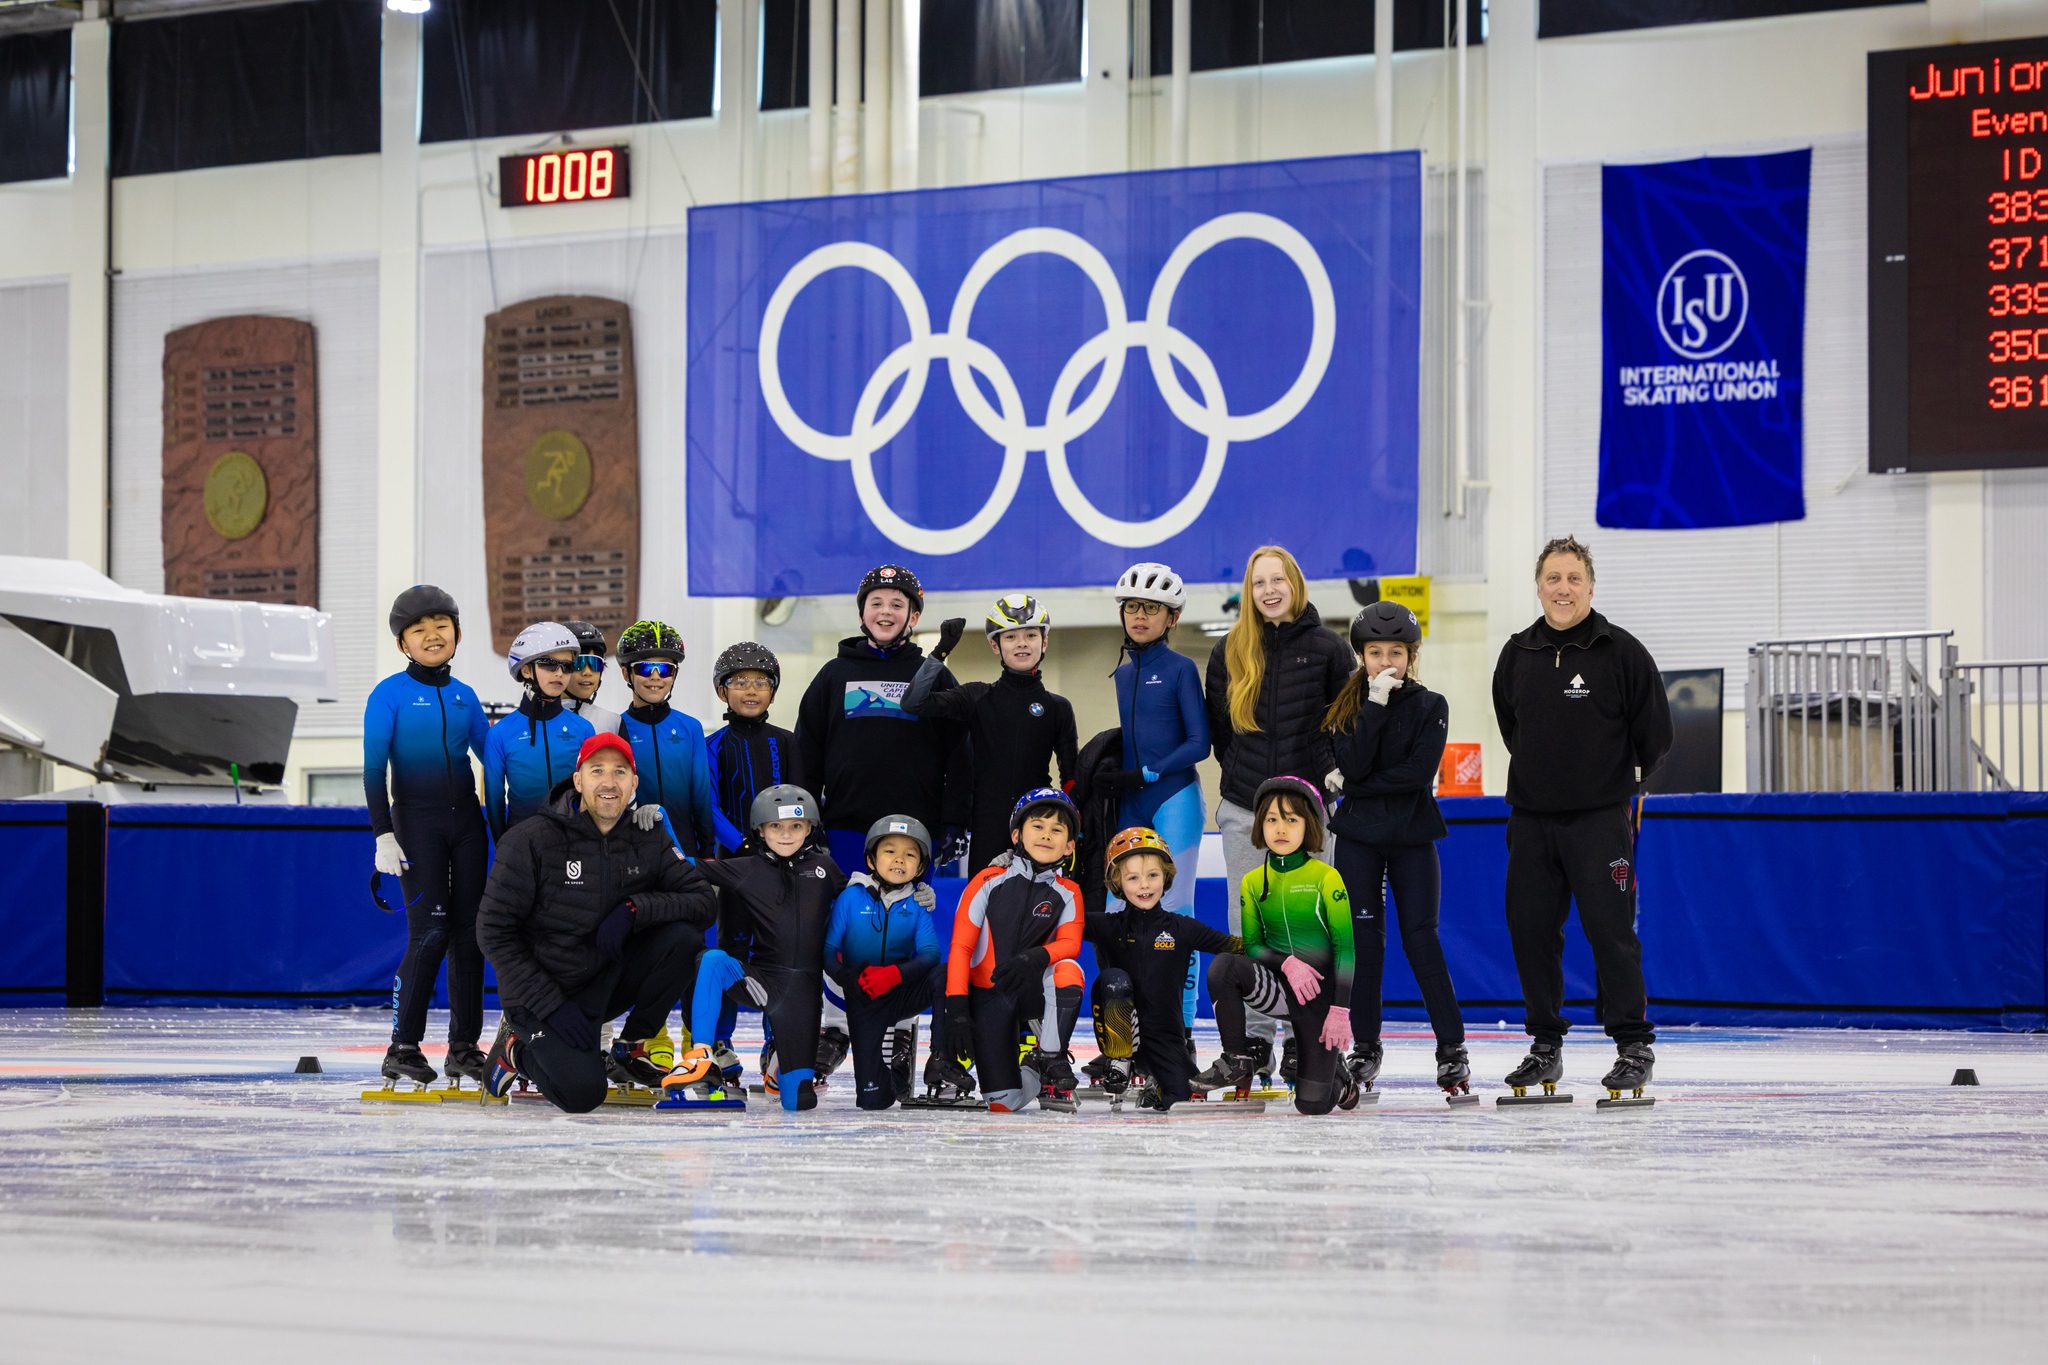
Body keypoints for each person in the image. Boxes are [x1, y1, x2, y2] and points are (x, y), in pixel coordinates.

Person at [1492, 535, 1672, 1099]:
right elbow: (1510, 727)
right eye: (1553, 578)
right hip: (1531, 819)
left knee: (1611, 933)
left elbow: (1656, 736)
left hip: (1599, 821)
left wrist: (1609, 783)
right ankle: (1545, 1046)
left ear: (1590, 587)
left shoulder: (1622, 652)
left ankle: (1632, 1047)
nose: (1563, 589)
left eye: (1574, 579)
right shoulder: (1516, 652)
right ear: (1539, 586)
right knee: (1532, 933)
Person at [476, 733, 718, 1112]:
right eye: (597, 770)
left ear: (633, 784)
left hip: (603, 983)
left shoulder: (647, 837)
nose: (609, 782)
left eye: (620, 772)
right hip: (540, 997)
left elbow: (703, 902)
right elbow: (493, 931)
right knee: (583, 1094)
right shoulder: (530, 840)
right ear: (578, 781)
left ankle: (631, 1046)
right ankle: (515, 1050)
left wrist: (635, 908)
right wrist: (551, 1006)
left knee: (685, 938)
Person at [1203, 545, 1352, 1080]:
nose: (1269, 590)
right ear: (1250, 591)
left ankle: (1303, 1037)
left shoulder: (1330, 649)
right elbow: (1222, 733)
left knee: (1307, 925)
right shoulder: (1230, 651)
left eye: (1277, 579)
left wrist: (1320, 781)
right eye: (1259, 582)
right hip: (1245, 807)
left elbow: (1345, 724)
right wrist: (1248, 783)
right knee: (1248, 923)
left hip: (1310, 811)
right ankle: (1257, 1039)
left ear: (1295, 582)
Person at [1324, 602, 1467, 1097]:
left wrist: (1353, 785)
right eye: (1375, 652)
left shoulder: (1432, 706)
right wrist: (1376, 703)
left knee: (1421, 939)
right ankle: (1366, 1046)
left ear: (1412, 655)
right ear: (1361, 655)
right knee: (1363, 946)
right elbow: (1358, 760)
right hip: (1359, 840)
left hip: (1411, 836)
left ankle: (1451, 1049)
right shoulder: (1346, 709)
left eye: (1396, 653)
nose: (1386, 662)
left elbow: (1415, 776)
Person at [364, 585, 491, 1090]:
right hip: (416, 824)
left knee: (470, 938)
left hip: (467, 826)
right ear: (403, 645)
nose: (431, 635)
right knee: (430, 933)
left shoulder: (464, 697)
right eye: (418, 629)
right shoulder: (388, 694)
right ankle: (403, 1046)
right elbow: (374, 770)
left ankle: (463, 1048)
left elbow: (494, 757)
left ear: (457, 634)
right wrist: (383, 835)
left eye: (441, 625)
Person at [667, 784, 847, 1112]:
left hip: (804, 998)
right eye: (775, 826)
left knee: (798, 1102)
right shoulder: (747, 868)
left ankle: (779, 1067)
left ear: (809, 828)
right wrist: (661, 820)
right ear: (760, 831)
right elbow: (681, 864)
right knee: (712, 960)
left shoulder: (825, 868)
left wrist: (916, 893)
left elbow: (865, 897)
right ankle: (701, 1055)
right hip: (763, 982)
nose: (786, 834)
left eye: (795, 825)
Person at [1194, 776, 1359, 1115]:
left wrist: (1340, 1010)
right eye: (1271, 819)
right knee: (1225, 965)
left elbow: (1345, 948)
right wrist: (1287, 963)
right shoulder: (1253, 882)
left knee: (1313, 1105)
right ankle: (1237, 1058)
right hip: (1279, 988)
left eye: (1290, 819)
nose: (1280, 828)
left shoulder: (1326, 878)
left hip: (1318, 996)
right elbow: (1253, 946)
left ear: (1308, 825)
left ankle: (1340, 1081)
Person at [795, 564, 970, 874]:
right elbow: (807, 753)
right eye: (876, 603)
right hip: (845, 830)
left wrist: (955, 820)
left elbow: (960, 754)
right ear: (862, 614)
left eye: (897, 605)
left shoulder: (935, 677)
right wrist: (807, 818)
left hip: (915, 830)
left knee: (907, 921)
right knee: (847, 918)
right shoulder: (833, 675)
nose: (885, 612)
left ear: (913, 618)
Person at [1103, 561, 1210, 1050]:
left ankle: (1181, 1030)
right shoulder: (1123, 675)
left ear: (1172, 618)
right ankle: (1123, 1034)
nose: (1140, 616)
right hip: (1132, 804)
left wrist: (1152, 770)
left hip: (1174, 799)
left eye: (1151, 608)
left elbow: (1200, 743)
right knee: (1115, 914)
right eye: (1132, 608)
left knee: (1174, 912)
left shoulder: (1182, 669)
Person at [903, 593, 1078, 874]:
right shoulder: (977, 696)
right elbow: (913, 702)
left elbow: (1071, 777)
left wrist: (1073, 828)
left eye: (1031, 635)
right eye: (1010, 637)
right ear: (995, 646)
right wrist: (941, 651)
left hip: (1037, 826)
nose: (1022, 643)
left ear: (1044, 642)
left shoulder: (1058, 707)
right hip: (987, 826)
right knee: (984, 913)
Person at [942, 788, 1087, 1113]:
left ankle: (1050, 1055)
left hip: (1033, 990)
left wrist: (1034, 958)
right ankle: (1034, 1067)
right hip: (989, 995)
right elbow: (961, 947)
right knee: (1003, 1103)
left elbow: (1070, 944)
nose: (1047, 835)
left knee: (1068, 970)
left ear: (1070, 845)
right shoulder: (987, 880)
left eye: (1057, 830)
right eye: (1038, 826)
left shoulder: (1068, 891)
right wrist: (958, 1007)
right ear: (1017, 834)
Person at [1087, 827, 1241, 1109]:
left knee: (1184, 1098)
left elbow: (1233, 945)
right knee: (1114, 980)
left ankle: (1155, 1079)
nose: (1144, 885)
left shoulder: (1182, 928)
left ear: (1166, 876)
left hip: (1166, 1039)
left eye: (1152, 875)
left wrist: (1282, 949)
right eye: (1133, 878)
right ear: (1118, 881)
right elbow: (1055, 918)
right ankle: (1120, 1061)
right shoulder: (1107, 925)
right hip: (1118, 1030)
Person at [825, 814, 947, 1110]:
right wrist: (847, 979)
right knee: (873, 1100)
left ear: (920, 867)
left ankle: (943, 1059)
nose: (899, 860)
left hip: (901, 991)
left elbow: (931, 954)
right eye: (890, 851)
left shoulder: (918, 902)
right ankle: (889, 1078)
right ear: (871, 860)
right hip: (863, 996)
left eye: (909, 855)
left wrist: (894, 975)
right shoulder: (850, 898)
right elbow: (828, 949)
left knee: (946, 975)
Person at [615, 619, 718, 858]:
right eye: (644, 668)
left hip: (686, 848)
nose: (655, 677)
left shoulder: (690, 727)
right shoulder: (615, 727)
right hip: (633, 849)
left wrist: (708, 851)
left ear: (674, 675)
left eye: (665, 669)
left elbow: (701, 794)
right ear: (625, 673)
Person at [482, 621, 594, 841]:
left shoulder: (583, 729)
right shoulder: (500, 734)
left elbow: (592, 791)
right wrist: (504, 846)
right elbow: (494, 802)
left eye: (568, 666)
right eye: (549, 664)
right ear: (526, 670)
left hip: (575, 843)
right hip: (522, 845)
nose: (560, 673)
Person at [705, 641, 802, 858]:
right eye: (740, 682)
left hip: (784, 852)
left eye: (761, 683)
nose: (751, 691)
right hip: (734, 856)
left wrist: (788, 841)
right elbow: (709, 806)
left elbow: (800, 799)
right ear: (722, 692)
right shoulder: (711, 745)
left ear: (773, 693)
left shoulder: (787, 741)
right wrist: (742, 845)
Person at [560, 620, 621, 737]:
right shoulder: (535, 721)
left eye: (595, 663)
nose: (587, 672)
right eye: (579, 663)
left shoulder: (613, 723)